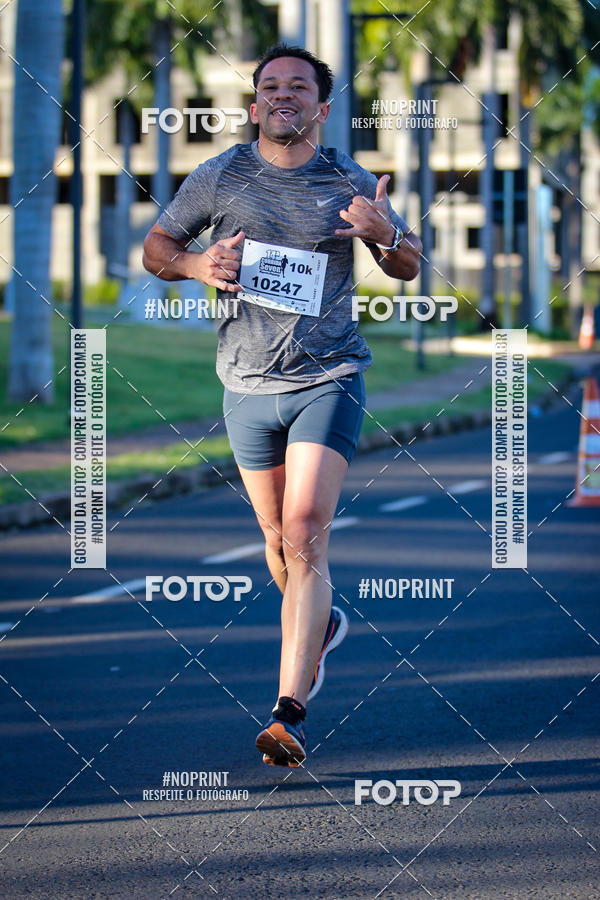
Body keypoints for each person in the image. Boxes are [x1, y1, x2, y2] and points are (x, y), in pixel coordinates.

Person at [142, 43, 422, 767]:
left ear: (322, 107)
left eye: (299, 86)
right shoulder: (220, 175)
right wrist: (200, 264)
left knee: (303, 530)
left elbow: (409, 262)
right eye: (271, 86)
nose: (283, 95)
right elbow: (157, 246)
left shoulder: (348, 180)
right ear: (255, 103)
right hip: (244, 385)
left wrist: (385, 234)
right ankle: (321, 622)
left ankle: (286, 714)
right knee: (276, 541)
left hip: (327, 376)